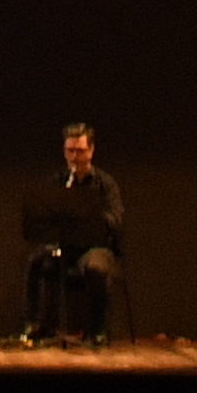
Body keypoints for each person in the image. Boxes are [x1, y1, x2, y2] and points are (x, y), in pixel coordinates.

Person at [24, 119, 122, 343]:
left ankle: (97, 330)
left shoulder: (105, 184)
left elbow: (115, 219)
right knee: (37, 260)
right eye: (70, 151)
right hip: (65, 245)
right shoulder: (57, 182)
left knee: (96, 268)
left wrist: (90, 217)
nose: (75, 157)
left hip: (95, 246)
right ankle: (38, 324)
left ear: (91, 151)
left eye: (80, 151)